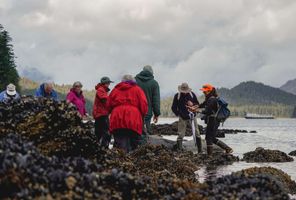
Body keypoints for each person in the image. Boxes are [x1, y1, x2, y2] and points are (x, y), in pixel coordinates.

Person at [108, 75, 148, 153]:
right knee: (134, 142)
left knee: (119, 142)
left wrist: (111, 112)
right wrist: (143, 114)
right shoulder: (138, 90)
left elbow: (108, 105)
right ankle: (132, 159)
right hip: (133, 118)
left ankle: (120, 159)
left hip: (117, 118)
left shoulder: (115, 90)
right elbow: (144, 105)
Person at [199, 84, 233, 156]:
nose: (203, 92)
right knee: (212, 138)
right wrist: (195, 107)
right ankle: (228, 149)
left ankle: (210, 156)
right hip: (214, 120)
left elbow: (208, 111)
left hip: (213, 120)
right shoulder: (210, 98)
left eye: (205, 91)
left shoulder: (212, 99)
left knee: (209, 138)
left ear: (209, 91)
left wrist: (197, 111)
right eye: (203, 91)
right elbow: (202, 105)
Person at [171, 83, 202, 152]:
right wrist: (179, 114)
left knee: (197, 133)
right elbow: (173, 107)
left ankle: (200, 151)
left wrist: (192, 104)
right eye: (183, 91)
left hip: (192, 116)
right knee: (180, 134)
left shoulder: (192, 94)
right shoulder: (177, 96)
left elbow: (197, 104)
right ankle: (179, 150)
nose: (184, 93)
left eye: (185, 91)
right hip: (182, 117)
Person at [135, 65, 161, 144]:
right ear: (151, 72)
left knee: (135, 131)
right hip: (147, 112)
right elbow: (155, 100)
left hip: (135, 111)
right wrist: (156, 113)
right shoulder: (154, 83)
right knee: (146, 133)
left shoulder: (135, 81)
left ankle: (134, 149)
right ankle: (144, 148)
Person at [93, 77, 113, 148]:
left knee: (99, 133)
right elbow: (105, 100)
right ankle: (104, 148)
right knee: (106, 132)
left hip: (100, 114)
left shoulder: (102, 90)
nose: (109, 84)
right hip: (101, 114)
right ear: (105, 83)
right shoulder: (101, 90)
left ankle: (97, 147)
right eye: (108, 83)